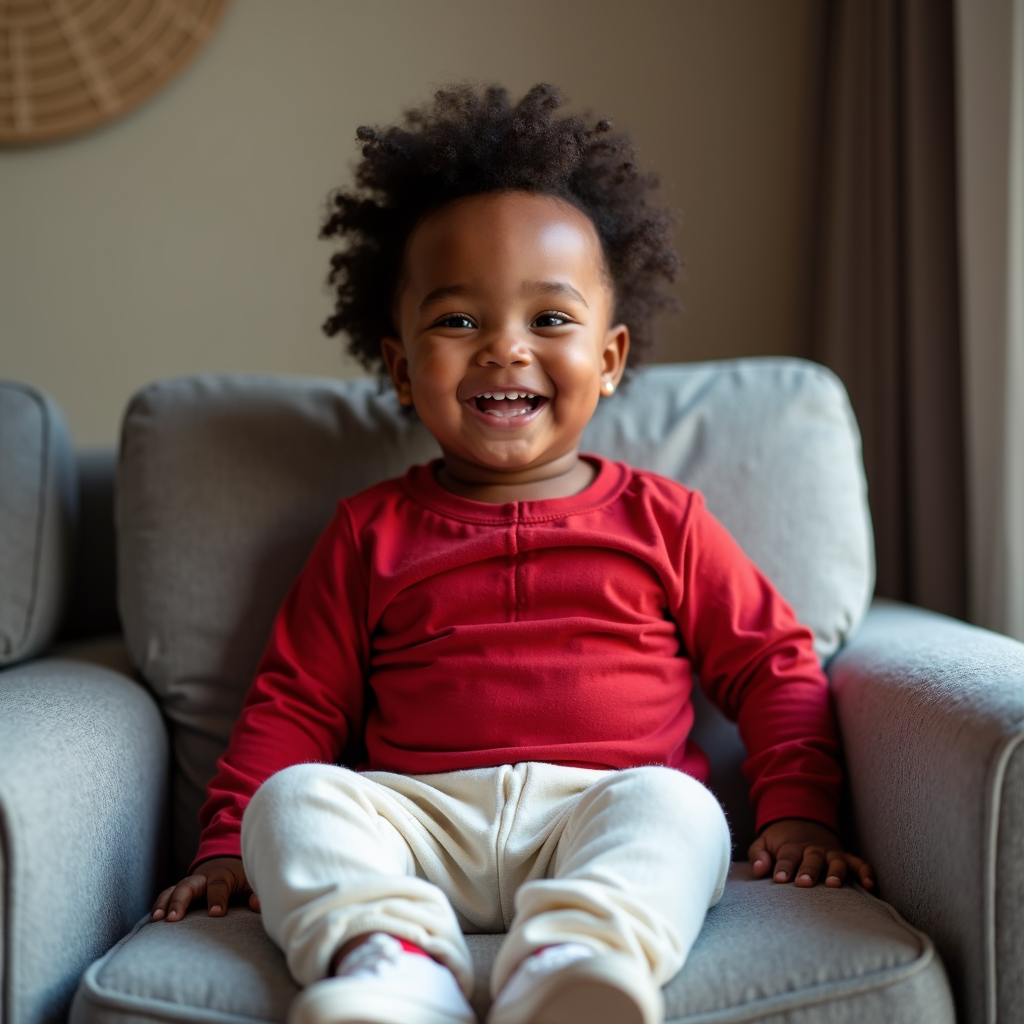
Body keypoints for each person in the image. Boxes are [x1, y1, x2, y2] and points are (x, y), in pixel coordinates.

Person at [150, 84, 874, 1024]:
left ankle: (576, 962)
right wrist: (221, 844)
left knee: (683, 811)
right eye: (457, 322)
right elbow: (295, 702)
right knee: (292, 800)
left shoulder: (668, 521)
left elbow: (775, 669)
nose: (503, 349)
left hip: (602, 813)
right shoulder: (370, 531)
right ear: (403, 367)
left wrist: (797, 810)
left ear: (610, 359)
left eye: (550, 320)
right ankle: (392, 961)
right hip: (419, 822)